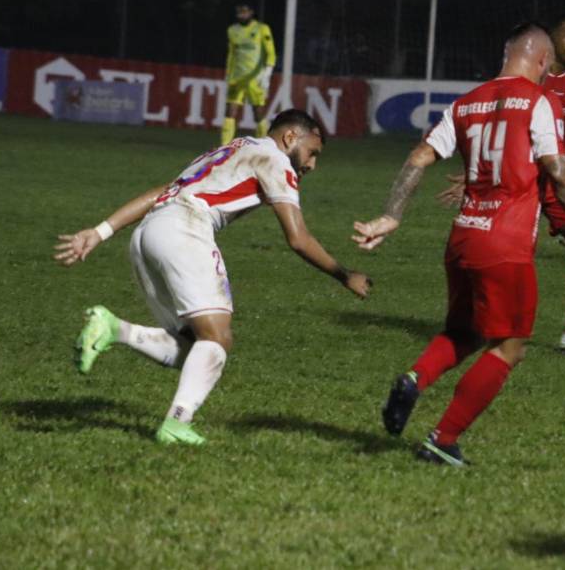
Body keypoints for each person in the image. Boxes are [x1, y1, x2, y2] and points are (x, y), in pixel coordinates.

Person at [352, 23, 565, 466]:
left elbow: (418, 158)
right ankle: (442, 439)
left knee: (464, 331)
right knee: (510, 345)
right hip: (504, 247)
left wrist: (392, 214)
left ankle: (415, 378)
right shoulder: (539, 100)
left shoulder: (466, 103)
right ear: (543, 62)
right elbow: (559, 172)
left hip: (463, 238)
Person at [55, 110, 371, 446]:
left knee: (195, 344)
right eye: (313, 153)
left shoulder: (235, 147)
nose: (311, 165)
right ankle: (177, 424)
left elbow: (163, 190)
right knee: (218, 338)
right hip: (185, 228)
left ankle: (113, 328)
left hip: (147, 235)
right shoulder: (275, 160)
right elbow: (298, 238)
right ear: (291, 138)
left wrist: (100, 231)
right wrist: (344, 275)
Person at [438, 15, 565, 357]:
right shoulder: (526, 78)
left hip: (556, 181)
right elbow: (492, 127)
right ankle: (476, 324)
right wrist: (475, 174)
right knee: (500, 253)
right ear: (549, 43)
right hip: (515, 178)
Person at [221, 3, 277, 145]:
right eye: (239, 13)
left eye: (244, 12)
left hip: (255, 77)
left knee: (258, 112)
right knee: (230, 111)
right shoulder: (232, 30)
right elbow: (232, 54)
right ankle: (224, 147)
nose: (241, 15)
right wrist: (228, 73)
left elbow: (270, 52)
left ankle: (264, 144)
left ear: (251, 12)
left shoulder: (261, 29)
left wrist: (267, 75)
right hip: (237, 78)